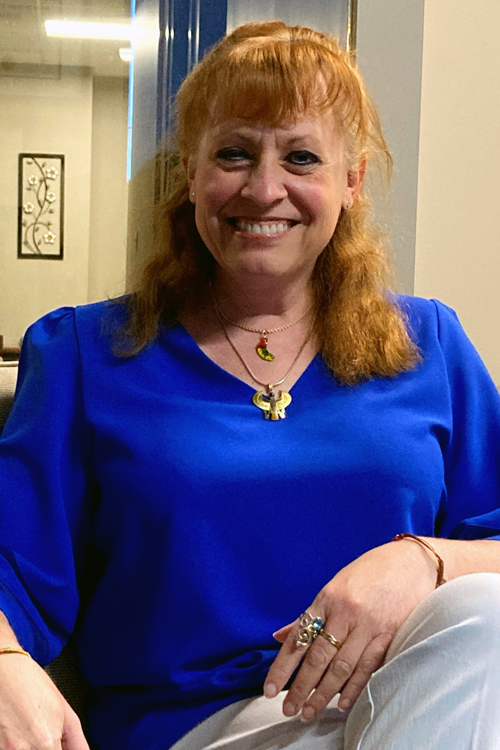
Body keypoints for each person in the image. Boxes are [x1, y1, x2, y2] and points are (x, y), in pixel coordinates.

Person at [1, 19, 500, 750]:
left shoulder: (433, 346)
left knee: (484, 613)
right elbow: (10, 563)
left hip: (408, 708)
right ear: (193, 173)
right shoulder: (85, 353)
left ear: (351, 181)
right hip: (202, 729)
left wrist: (422, 561)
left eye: (301, 157)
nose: (265, 189)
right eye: (234, 154)